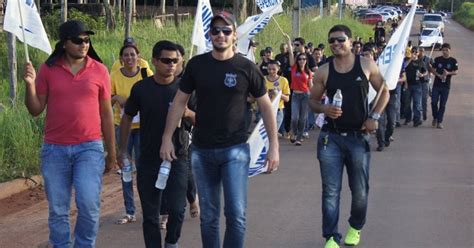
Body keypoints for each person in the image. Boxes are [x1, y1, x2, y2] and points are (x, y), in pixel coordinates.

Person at [159, 11, 279, 248]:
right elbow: (180, 102)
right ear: (210, 34)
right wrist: (166, 137)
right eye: (216, 31)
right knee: (209, 217)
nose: (220, 35)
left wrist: (273, 146)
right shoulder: (197, 65)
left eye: (226, 31)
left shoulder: (247, 67)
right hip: (202, 151)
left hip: (235, 149)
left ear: (235, 35)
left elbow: (266, 106)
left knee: (236, 214)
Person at [23, 20, 117, 247]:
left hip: (90, 148)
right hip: (55, 149)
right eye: (77, 40)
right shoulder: (48, 69)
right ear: (64, 43)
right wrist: (30, 84)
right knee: (58, 209)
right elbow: (35, 110)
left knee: (89, 204)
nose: (84, 44)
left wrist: (112, 153)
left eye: (87, 40)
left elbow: (106, 114)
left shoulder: (100, 70)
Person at [308, 25, 389, 248]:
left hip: (358, 137)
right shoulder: (324, 71)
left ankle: (355, 226)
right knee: (331, 190)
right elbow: (312, 101)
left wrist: (375, 116)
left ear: (351, 41)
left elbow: (385, 91)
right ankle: (331, 236)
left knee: (360, 190)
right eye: (332, 40)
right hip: (330, 138)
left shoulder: (365, 65)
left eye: (340, 39)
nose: (336, 44)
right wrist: (324, 110)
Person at [118, 40, 191, 248]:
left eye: (175, 61)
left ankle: (171, 242)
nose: (171, 65)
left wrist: (187, 113)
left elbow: (202, 117)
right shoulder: (141, 88)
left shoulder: (184, 89)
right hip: (148, 158)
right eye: (166, 60)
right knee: (150, 215)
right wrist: (123, 150)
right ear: (154, 61)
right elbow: (126, 117)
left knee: (177, 210)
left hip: (178, 157)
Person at [111, 43, 153, 225]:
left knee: (144, 169)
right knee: (126, 169)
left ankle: (150, 209)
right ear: (121, 59)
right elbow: (107, 97)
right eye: (125, 56)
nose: (129, 58)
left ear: (138, 57)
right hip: (122, 127)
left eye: (132, 55)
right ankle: (130, 211)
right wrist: (117, 98)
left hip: (143, 127)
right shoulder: (114, 76)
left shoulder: (146, 74)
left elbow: (155, 94)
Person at [287, 35, 313, 146]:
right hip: (295, 96)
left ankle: (298, 138)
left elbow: (310, 86)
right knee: (294, 118)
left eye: (304, 59)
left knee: (303, 119)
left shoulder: (309, 72)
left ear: (306, 61)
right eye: (300, 59)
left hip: (305, 96)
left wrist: (314, 97)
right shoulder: (293, 68)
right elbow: (291, 54)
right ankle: (293, 132)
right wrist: (288, 42)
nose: (302, 60)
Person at [429, 43, 458, 129]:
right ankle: (435, 117)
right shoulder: (437, 59)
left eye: (446, 50)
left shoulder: (453, 61)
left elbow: (456, 71)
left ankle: (439, 121)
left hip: (446, 86)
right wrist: (438, 75)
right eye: (443, 50)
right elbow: (432, 69)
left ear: (450, 50)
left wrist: (448, 73)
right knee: (433, 102)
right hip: (436, 85)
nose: (445, 52)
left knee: (442, 104)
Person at [265, 60, 290, 134]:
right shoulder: (262, 79)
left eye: (274, 69)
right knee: (265, 135)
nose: (271, 71)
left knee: (272, 133)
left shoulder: (283, 80)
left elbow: (287, 99)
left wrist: (278, 93)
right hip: (265, 110)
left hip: (278, 110)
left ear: (278, 69)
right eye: (269, 69)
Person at [403, 47, 427, 127]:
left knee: (417, 103)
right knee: (406, 103)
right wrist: (410, 59)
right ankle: (408, 118)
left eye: (416, 52)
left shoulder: (421, 62)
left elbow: (425, 71)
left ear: (418, 53)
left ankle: (417, 120)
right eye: (413, 51)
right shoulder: (407, 60)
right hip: (408, 84)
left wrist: (422, 75)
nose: (414, 53)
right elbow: (404, 68)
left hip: (417, 85)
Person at [417, 47, 432, 121]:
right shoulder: (416, 59)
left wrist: (430, 71)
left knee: (424, 99)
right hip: (417, 82)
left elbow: (432, 68)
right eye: (420, 51)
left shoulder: (428, 59)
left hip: (425, 81)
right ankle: (418, 116)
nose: (421, 52)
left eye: (422, 51)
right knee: (418, 100)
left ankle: (424, 114)